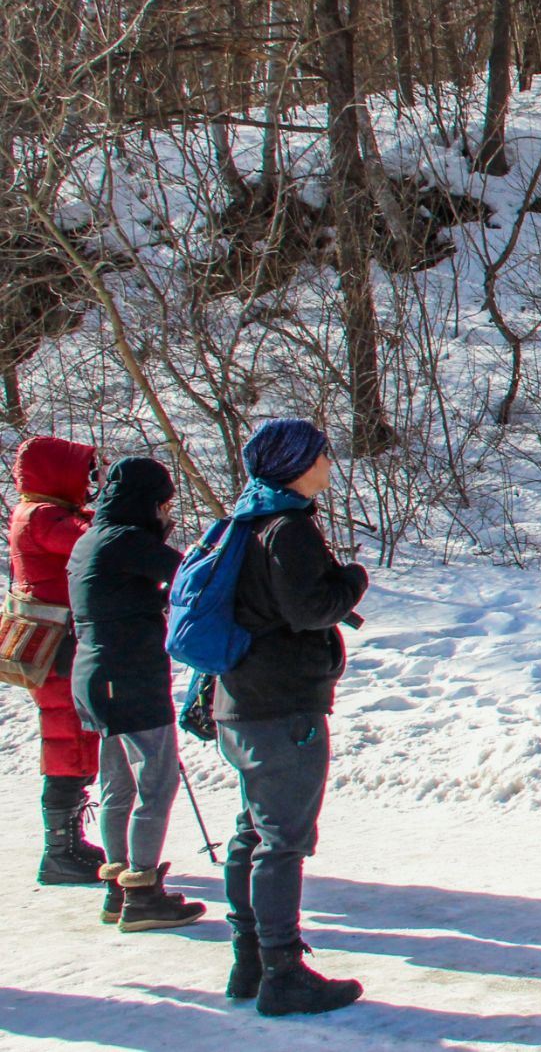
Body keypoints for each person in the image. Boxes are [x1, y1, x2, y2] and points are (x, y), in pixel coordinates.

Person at [214, 419, 369, 1017]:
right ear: (296, 463)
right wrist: (353, 580)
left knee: (253, 830)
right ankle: (282, 970)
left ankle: (250, 958)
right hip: (282, 706)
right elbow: (309, 609)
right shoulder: (290, 529)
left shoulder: (246, 521)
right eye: (321, 454)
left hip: (242, 700)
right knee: (281, 840)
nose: (330, 462)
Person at [68, 456, 205, 931]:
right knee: (156, 780)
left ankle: (118, 888)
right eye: (163, 504)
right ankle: (143, 892)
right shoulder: (128, 542)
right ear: (148, 502)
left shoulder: (91, 539)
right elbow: (191, 576)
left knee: (118, 785)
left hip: (93, 673)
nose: (166, 513)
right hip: (129, 673)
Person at [10, 436, 106, 886]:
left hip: (53, 645)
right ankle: (60, 850)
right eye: (83, 474)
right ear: (57, 474)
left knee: (72, 736)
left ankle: (67, 843)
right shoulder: (44, 517)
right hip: (57, 648)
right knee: (67, 739)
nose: (88, 485)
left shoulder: (38, 511)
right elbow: (93, 545)